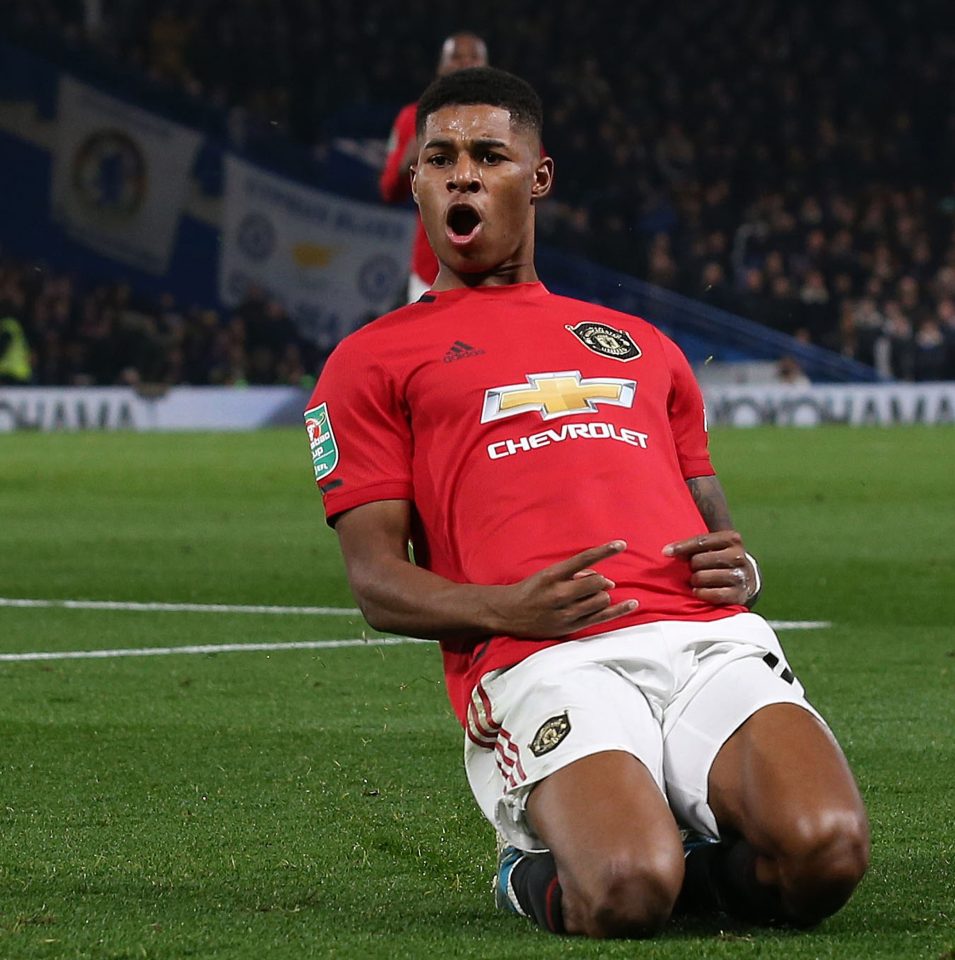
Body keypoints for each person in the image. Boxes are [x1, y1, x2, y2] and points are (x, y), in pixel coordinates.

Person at [305, 67, 869, 939]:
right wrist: (506, 607)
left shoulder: (641, 345)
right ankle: (538, 865)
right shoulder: (368, 362)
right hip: (542, 655)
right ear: (415, 181)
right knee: (624, 893)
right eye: (440, 158)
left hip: (699, 642)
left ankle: (675, 838)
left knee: (825, 857)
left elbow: (715, 526)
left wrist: (743, 567)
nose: (461, 174)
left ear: (537, 177)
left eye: (488, 154)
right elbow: (377, 583)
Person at [378, 32, 488, 303]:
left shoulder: (507, 119)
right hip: (431, 272)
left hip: (491, 273)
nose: (464, 64)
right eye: (456, 57)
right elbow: (389, 191)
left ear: (486, 67)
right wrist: (408, 160)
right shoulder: (411, 119)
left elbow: (538, 182)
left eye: (472, 57)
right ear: (441, 67)